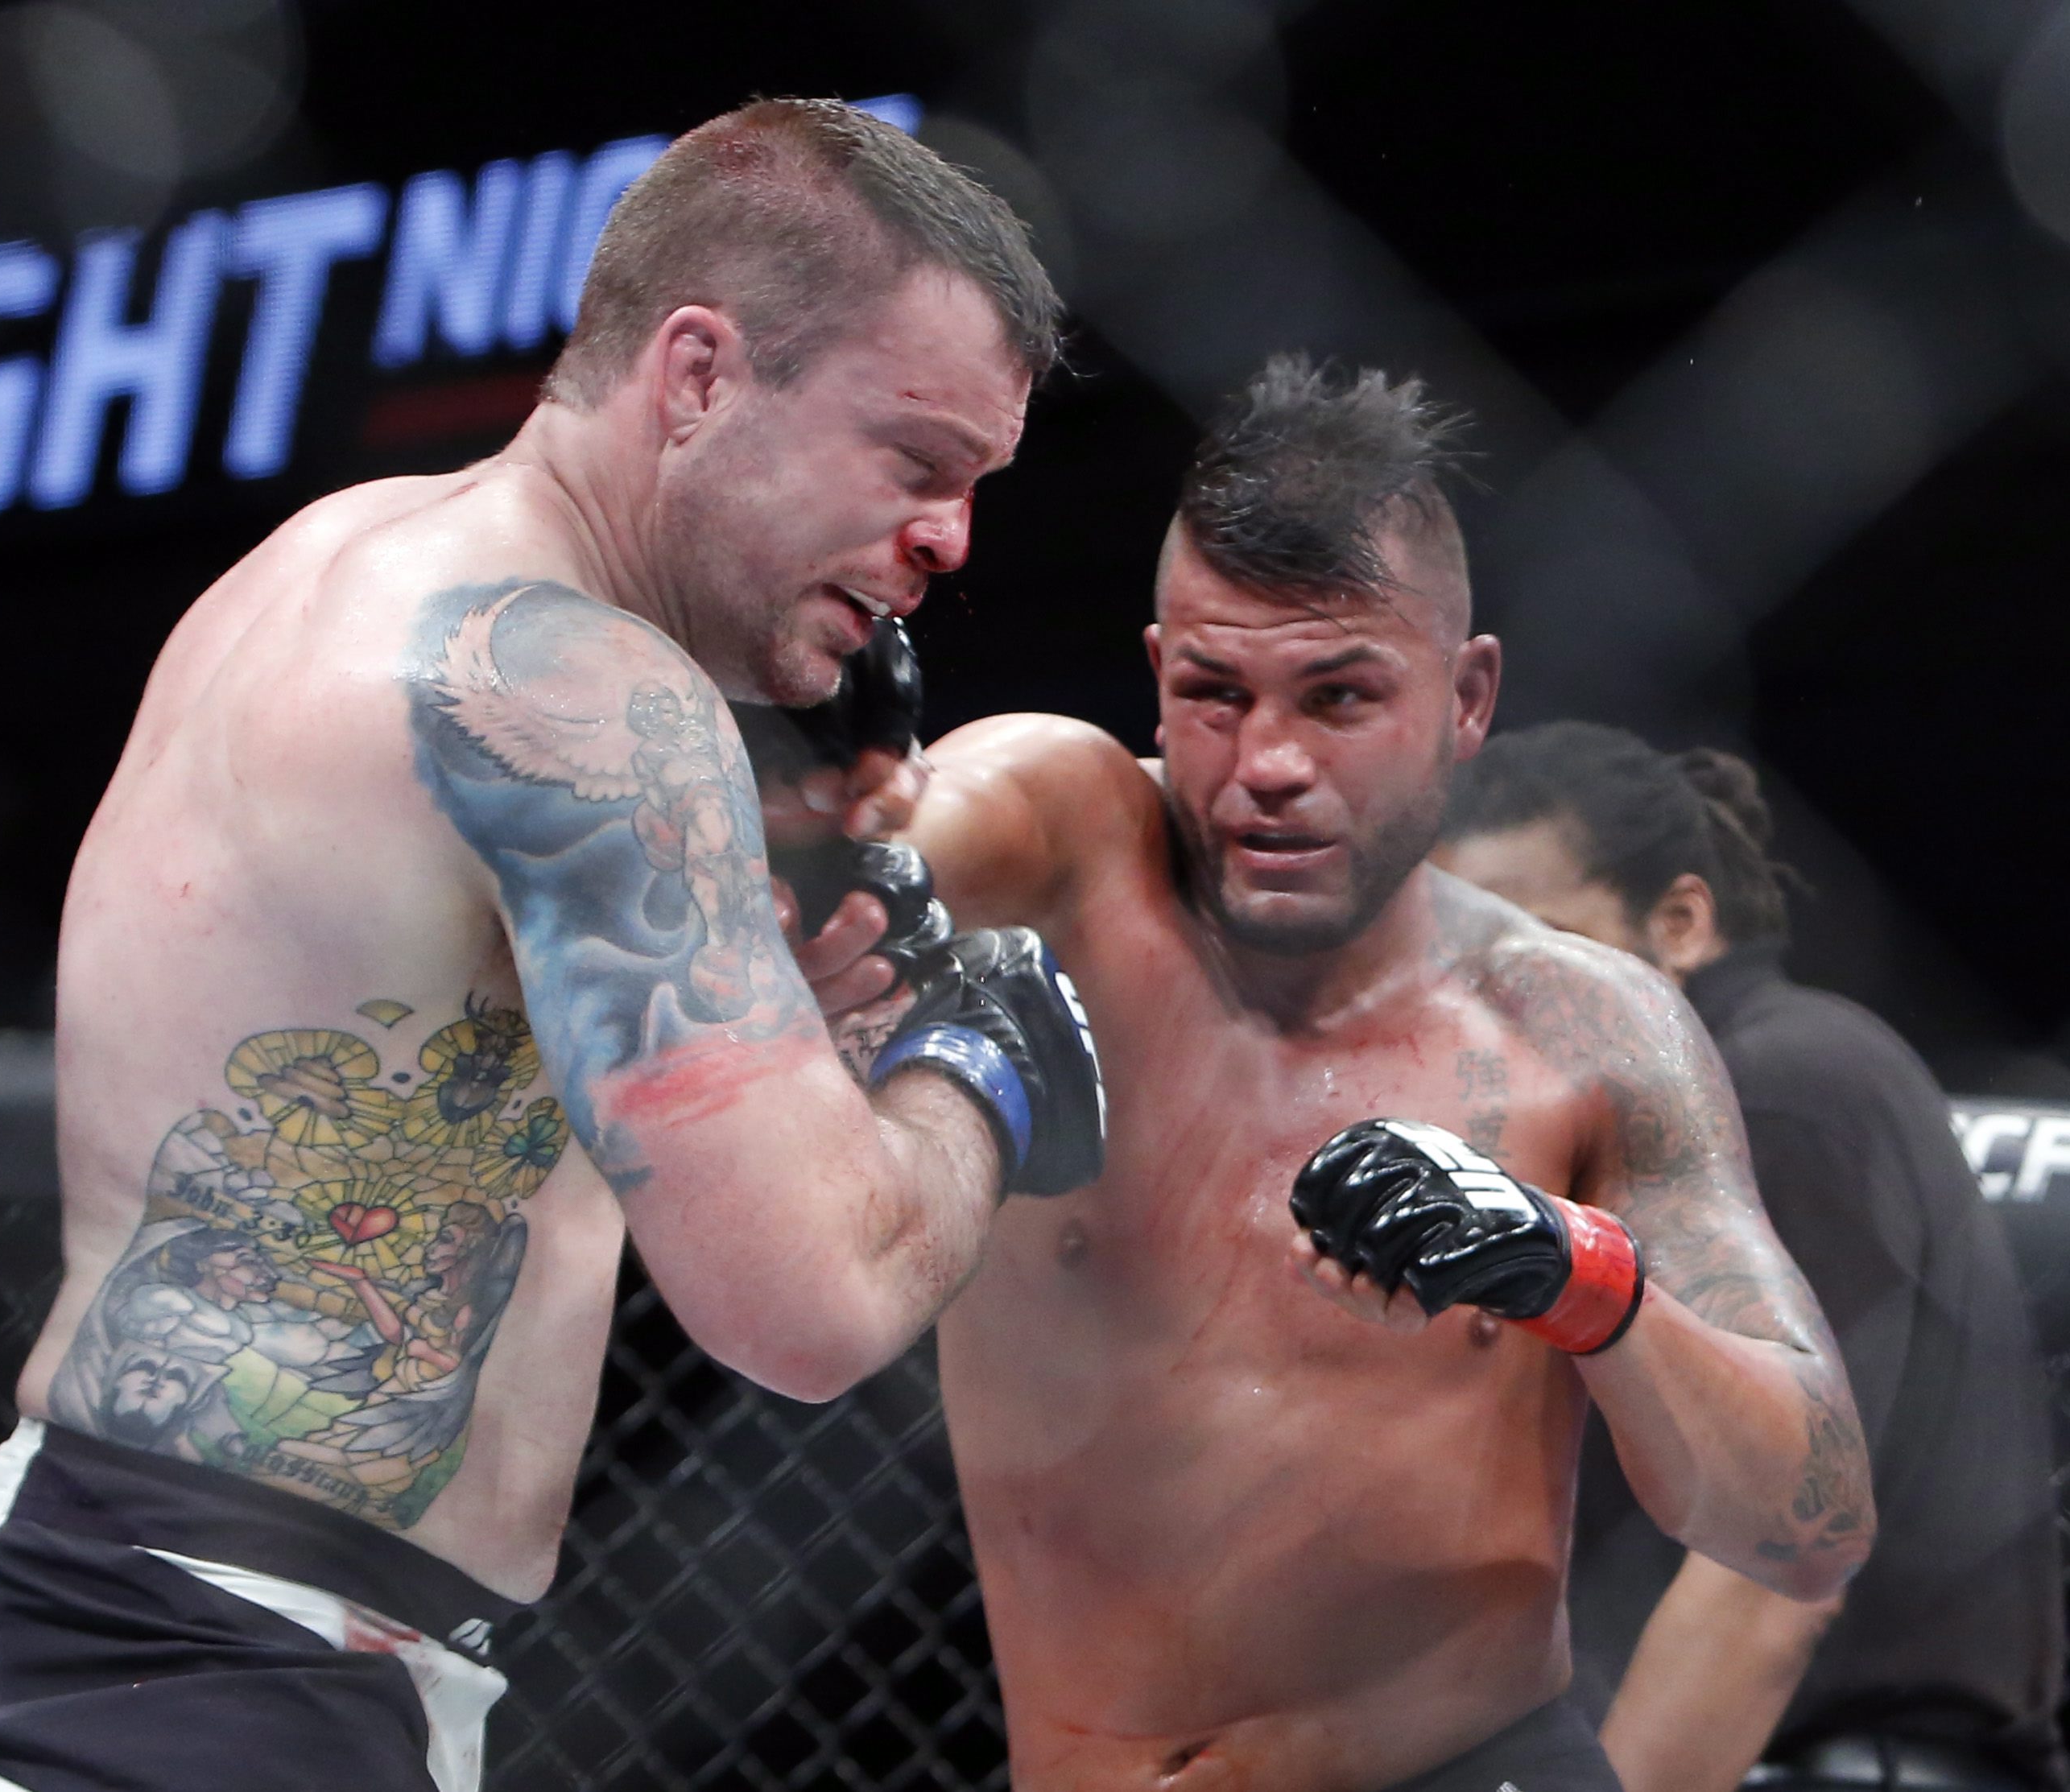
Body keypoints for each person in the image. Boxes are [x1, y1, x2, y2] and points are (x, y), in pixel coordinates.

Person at [0, 98, 1109, 1792]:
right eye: (915, 460)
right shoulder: (587, 696)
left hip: (137, 1619)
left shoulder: (328, 556)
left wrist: (775, 1073)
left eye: (977, 486)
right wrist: (977, 1069)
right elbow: (808, 1311)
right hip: (205, 1670)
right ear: (697, 376)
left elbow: (421, 1124)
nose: (950, 540)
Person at [783, 354, 1874, 1791]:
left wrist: (1577, 1279)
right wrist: (816, 834)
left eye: (1341, 696)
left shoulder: (1578, 1025)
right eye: (1215, 691)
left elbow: (1809, 1515)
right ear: (1157, 675)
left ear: (1467, 698)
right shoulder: (1063, 846)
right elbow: (902, 846)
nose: (1270, 762)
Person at [1437, 724, 2064, 1792]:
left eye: (1542, 939)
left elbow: (1772, 1578)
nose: (1501, 992)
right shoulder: (1647, 1119)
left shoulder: (1778, 1088)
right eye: (1467, 956)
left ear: (1680, 920)